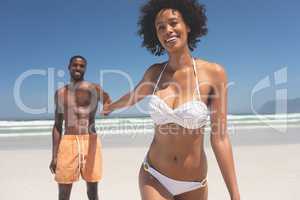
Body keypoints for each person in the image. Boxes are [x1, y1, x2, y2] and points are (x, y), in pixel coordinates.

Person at [102, 0, 240, 199]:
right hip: (154, 176)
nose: (168, 30)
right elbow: (132, 98)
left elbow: (220, 138)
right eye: (161, 27)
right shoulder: (154, 74)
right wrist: (110, 107)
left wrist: (235, 194)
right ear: (156, 36)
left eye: (173, 23)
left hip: (194, 183)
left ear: (188, 26)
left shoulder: (214, 74)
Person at [49, 55, 111, 200]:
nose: (78, 68)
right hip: (68, 142)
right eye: (75, 65)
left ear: (85, 68)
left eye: (81, 66)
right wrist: (54, 155)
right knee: (63, 192)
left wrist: (107, 107)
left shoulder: (94, 88)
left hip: (91, 141)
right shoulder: (60, 93)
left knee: (92, 191)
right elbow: (57, 125)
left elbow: (108, 100)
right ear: (69, 67)